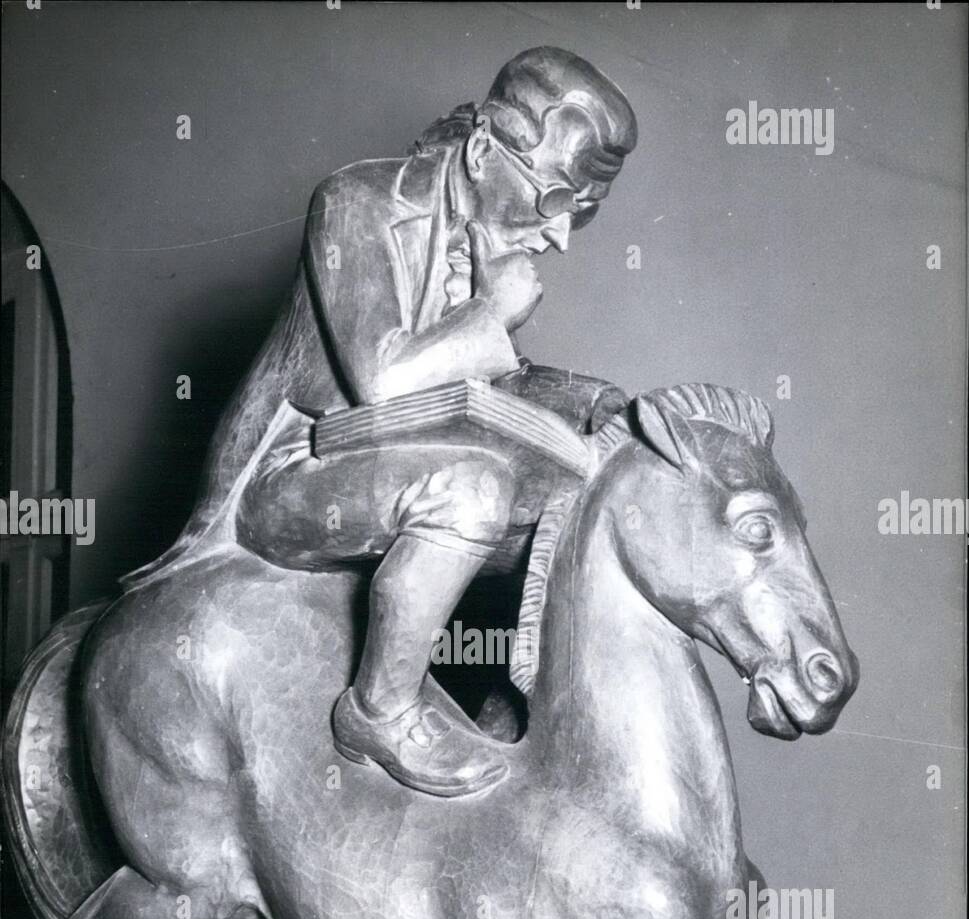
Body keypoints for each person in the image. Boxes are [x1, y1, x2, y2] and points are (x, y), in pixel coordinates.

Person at [128, 48, 636, 796]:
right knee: (470, 493)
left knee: (569, 509)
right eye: (555, 200)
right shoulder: (355, 201)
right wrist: (491, 311)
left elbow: (490, 377)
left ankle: (509, 708)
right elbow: (384, 373)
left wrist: (596, 402)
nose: (559, 237)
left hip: (381, 468)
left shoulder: (481, 238)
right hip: (294, 473)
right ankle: (381, 710)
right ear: (484, 147)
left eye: (583, 214)